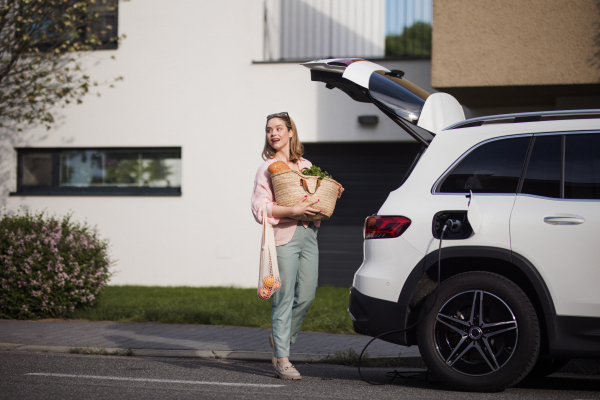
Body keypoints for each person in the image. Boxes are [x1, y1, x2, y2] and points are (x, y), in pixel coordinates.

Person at [251, 112, 343, 380]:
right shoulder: (266, 168)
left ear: (291, 132)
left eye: (279, 128)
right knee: (283, 298)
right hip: (283, 237)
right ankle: (282, 358)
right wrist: (291, 208)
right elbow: (260, 208)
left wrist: (329, 192)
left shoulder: (306, 165)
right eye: (269, 130)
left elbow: (313, 197)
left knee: (307, 295)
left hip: (309, 235)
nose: (274, 134)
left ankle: (280, 337)